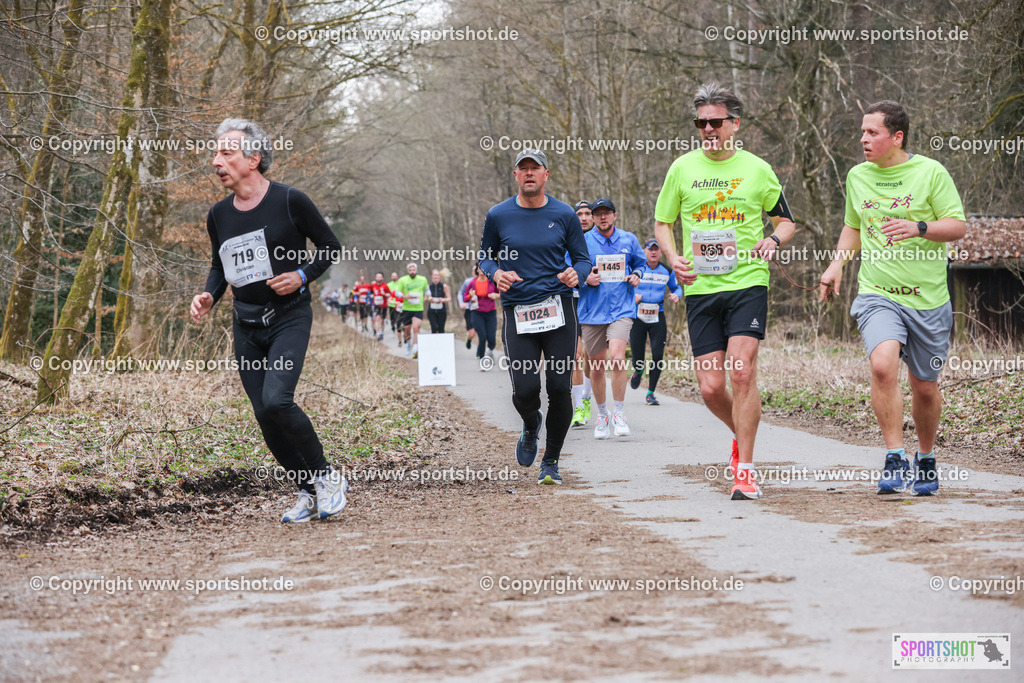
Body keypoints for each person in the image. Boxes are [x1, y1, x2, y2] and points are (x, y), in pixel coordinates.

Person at [189, 117, 347, 523]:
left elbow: (330, 246)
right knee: (263, 412)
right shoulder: (218, 214)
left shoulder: (291, 200)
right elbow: (219, 265)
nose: (215, 161)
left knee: (277, 399)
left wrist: (301, 275)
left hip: (289, 318)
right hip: (246, 324)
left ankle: (328, 478)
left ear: (254, 158)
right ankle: (307, 491)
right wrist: (209, 295)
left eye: (226, 153)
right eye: (215, 153)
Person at [654, 82, 796, 500]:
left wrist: (774, 240)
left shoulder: (757, 168)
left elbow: (785, 220)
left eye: (716, 121)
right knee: (712, 388)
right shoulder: (682, 168)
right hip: (700, 287)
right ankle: (742, 432)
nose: (708, 129)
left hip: (747, 282)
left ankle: (746, 471)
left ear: (735, 123)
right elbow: (663, 222)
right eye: (701, 123)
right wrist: (673, 257)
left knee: (741, 370)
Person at [819, 100, 966, 496]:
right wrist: (836, 266)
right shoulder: (857, 176)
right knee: (883, 366)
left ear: (896, 137)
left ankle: (926, 458)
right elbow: (853, 226)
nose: (863, 139)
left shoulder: (930, 172)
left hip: (928, 298)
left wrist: (920, 226)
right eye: (862, 132)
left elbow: (957, 226)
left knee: (924, 386)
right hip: (878, 293)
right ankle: (894, 457)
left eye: (872, 133)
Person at [479, 149, 590, 485]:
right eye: (522, 169)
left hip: (560, 310)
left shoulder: (565, 213)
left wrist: (576, 274)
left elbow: (583, 259)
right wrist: (495, 273)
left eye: (535, 168)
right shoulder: (498, 215)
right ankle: (530, 425)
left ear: (545, 174)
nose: (529, 173)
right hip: (518, 311)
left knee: (559, 386)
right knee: (525, 390)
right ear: (515, 176)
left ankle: (551, 461)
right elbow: (484, 258)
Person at [578, 198, 645, 439]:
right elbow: (567, 267)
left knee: (617, 358)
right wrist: (585, 278)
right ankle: (602, 414)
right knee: (596, 368)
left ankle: (619, 413)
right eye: (598, 214)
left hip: (621, 309)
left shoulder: (628, 239)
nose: (602, 217)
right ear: (593, 218)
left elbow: (640, 264)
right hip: (592, 311)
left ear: (614, 215)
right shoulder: (582, 241)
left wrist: (637, 275)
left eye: (607, 213)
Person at [630, 238, 682, 405]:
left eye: (656, 249)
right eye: (650, 249)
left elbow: (677, 287)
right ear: (644, 251)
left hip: (657, 316)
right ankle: (638, 371)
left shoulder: (667, 271)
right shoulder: (637, 270)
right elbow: (623, 287)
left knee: (658, 355)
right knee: (638, 356)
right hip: (637, 316)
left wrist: (677, 295)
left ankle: (651, 393)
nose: (653, 252)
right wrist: (632, 296)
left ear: (660, 252)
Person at [570, 201, 595, 428]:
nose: (584, 217)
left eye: (588, 213)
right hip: (574, 302)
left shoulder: (602, 240)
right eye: (579, 214)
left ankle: (587, 396)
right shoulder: (566, 239)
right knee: (576, 356)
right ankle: (578, 406)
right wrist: (583, 277)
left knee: (592, 357)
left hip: (597, 304)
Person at [463, 267, 498, 364]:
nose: (482, 270)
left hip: (491, 312)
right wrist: (470, 295)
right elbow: (465, 298)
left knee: (492, 339)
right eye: (480, 268)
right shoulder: (472, 283)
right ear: (477, 271)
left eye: (483, 268)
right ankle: (482, 359)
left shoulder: (491, 282)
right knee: (482, 337)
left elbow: (502, 294)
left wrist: (496, 295)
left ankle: (490, 351)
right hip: (476, 313)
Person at [395, 262, 429, 357]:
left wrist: (427, 297)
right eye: (410, 270)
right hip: (407, 308)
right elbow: (397, 292)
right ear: (408, 271)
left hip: (418, 308)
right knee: (407, 330)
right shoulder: (403, 280)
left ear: (416, 270)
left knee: (416, 327)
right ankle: (409, 343)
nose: (412, 272)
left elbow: (427, 290)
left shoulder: (422, 279)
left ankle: (415, 347)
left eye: (414, 270)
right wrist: (405, 296)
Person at [457, 268, 480, 350]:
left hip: (480, 309)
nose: (476, 272)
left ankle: (480, 352)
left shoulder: (484, 282)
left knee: (481, 332)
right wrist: (461, 303)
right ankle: (469, 339)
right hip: (470, 309)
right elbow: (460, 293)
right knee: (472, 333)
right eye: (474, 271)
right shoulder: (468, 282)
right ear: (472, 272)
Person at [369, 271, 390, 341]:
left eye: (380, 277)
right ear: (375, 278)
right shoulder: (373, 285)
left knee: (382, 320)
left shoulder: (385, 286)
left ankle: (382, 333)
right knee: (377, 319)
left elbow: (389, 294)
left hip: (383, 305)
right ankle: (378, 333)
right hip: (376, 305)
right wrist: (371, 295)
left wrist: (384, 294)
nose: (378, 278)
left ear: (382, 278)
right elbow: (370, 292)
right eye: (377, 276)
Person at [386, 272, 402, 340]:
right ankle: (393, 330)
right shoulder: (388, 284)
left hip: (400, 305)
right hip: (391, 304)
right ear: (391, 277)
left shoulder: (400, 284)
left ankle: (399, 330)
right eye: (393, 276)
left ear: (397, 277)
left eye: (395, 276)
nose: (394, 277)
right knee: (392, 319)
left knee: (398, 318)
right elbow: (387, 294)